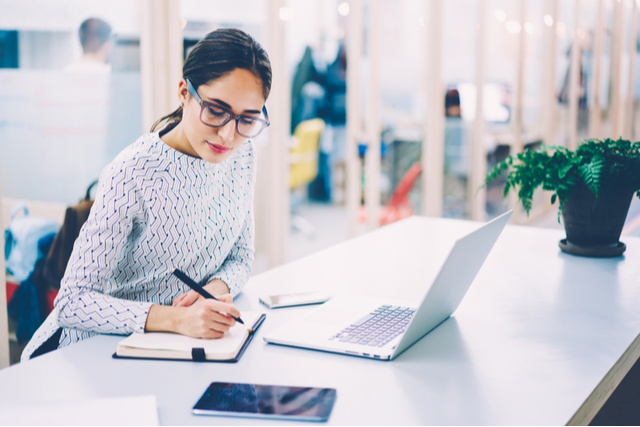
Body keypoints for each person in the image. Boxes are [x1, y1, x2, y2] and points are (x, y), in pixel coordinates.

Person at [22, 28, 272, 361]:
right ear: (184, 92)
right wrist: (176, 319)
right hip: (95, 353)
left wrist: (214, 290)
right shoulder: (132, 172)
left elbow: (240, 258)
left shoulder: (243, 155)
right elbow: (72, 303)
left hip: (177, 349)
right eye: (215, 110)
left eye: (247, 119)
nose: (228, 134)